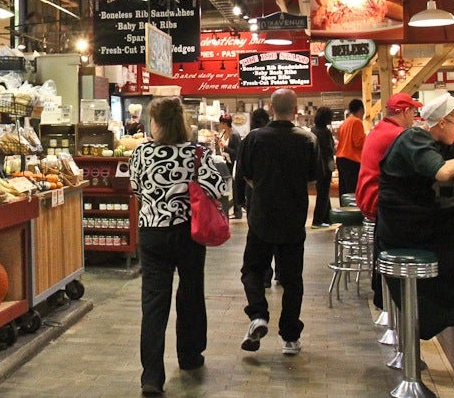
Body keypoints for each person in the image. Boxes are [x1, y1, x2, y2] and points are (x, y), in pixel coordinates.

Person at [377, 93, 454, 339]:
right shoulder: (414, 138)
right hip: (405, 227)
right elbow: (443, 172)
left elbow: (445, 163)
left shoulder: (426, 140)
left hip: (410, 219)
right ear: (443, 122)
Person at [129, 97, 226, 395]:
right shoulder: (197, 152)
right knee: (191, 292)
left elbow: (135, 187)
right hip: (189, 234)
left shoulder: (142, 152)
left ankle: (152, 377)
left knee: (154, 303)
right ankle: (189, 355)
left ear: (155, 123)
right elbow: (218, 188)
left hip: (153, 235)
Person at [237, 89, 319, 357]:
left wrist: (263, 187)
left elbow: (246, 176)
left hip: (261, 217)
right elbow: (312, 181)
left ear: (271, 108)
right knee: (292, 279)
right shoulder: (308, 140)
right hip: (294, 219)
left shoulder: (253, 139)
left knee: (252, 270)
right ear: (296, 110)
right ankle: (290, 338)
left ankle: (258, 315)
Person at [354, 92, 423, 310]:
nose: (415, 115)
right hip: (379, 201)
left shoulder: (381, 129)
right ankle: (406, 298)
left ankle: (386, 295)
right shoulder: (397, 134)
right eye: (413, 111)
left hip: (369, 197)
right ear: (403, 112)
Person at [309, 107, 336, 227]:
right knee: (323, 194)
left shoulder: (313, 130)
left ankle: (327, 218)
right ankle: (317, 220)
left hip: (316, 165)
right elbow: (328, 150)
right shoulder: (325, 132)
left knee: (323, 192)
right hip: (325, 165)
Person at [334, 98, 366, 196]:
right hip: (352, 159)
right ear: (361, 109)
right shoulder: (356, 122)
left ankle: (344, 209)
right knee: (352, 191)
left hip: (341, 158)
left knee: (344, 191)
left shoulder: (345, 122)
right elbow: (358, 142)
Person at [216, 114, 243, 219]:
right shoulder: (224, 133)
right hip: (227, 162)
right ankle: (233, 210)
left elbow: (237, 152)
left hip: (234, 163)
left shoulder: (234, 134)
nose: (220, 125)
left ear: (225, 123)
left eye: (221, 123)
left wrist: (225, 147)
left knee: (235, 186)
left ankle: (238, 211)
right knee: (230, 186)